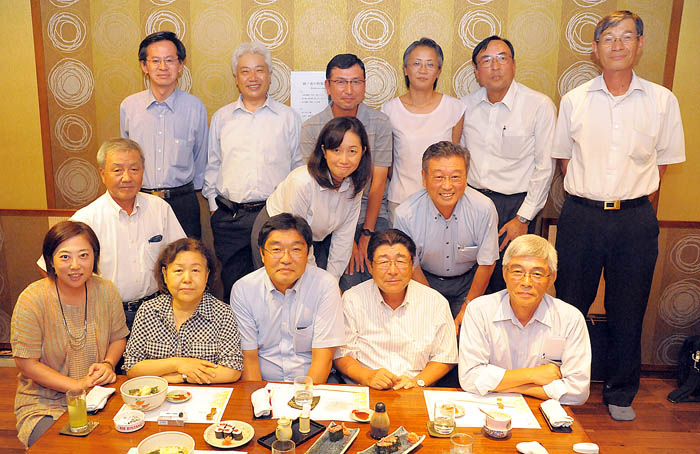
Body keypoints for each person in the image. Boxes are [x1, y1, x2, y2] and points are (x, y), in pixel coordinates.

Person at [552, 10, 685, 420]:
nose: (617, 45)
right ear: (595, 48)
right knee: (570, 303)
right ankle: (565, 384)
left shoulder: (662, 101)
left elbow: (660, 166)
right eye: (609, 38)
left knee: (629, 306)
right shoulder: (575, 100)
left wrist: (626, 197)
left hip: (634, 219)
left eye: (627, 37)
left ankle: (621, 392)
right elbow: (563, 161)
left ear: (640, 44)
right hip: (581, 215)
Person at [37, 138, 186, 329]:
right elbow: (47, 265)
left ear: (143, 171)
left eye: (134, 169)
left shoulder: (160, 209)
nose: (126, 178)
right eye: (117, 170)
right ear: (102, 174)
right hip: (106, 313)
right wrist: (78, 301)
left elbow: (182, 255)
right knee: (110, 360)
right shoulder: (86, 218)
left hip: (157, 310)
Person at [12, 221, 129, 447]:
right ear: (51, 261)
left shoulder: (106, 290)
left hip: (98, 397)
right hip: (44, 403)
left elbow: (118, 337)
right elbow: (26, 363)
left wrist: (107, 363)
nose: (75, 265)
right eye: (65, 257)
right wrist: (75, 385)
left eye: (83, 255)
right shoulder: (32, 299)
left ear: (94, 257)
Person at [204, 42, 302, 301]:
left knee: (277, 285)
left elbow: (298, 167)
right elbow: (212, 165)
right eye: (245, 71)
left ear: (269, 76)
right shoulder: (222, 118)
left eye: (259, 70)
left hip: (273, 216)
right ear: (236, 79)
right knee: (234, 287)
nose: (253, 77)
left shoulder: (288, 117)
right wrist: (215, 209)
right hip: (230, 217)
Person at [461, 35, 556, 293]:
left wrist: (523, 217)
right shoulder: (464, 107)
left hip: (517, 207)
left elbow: (545, 167)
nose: (495, 66)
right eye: (486, 60)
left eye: (502, 58)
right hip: (473, 204)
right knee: (473, 277)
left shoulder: (538, 105)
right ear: (477, 71)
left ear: (514, 65)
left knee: (514, 279)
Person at [459, 235, 591, 405]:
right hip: (488, 405)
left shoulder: (570, 319)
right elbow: (469, 379)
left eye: (537, 273)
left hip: (543, 408)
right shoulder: (479, 310)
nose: (526, 282)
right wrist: (533, 375)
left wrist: (502, 384)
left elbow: (578, 392)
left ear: (551, 278)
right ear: (505, 273)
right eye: (518, 272)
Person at [300, 54, 393, 291]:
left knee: (378, 270)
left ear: (364, 85)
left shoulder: (379, 123)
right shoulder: (311, 127)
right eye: (341, 82)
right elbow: (313, 185)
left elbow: (378, 182)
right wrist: (347, 238)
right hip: (327, 216)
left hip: (371, 214)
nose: (348, 89)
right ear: (328, 86)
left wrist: (366, 233)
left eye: (356, 82)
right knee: (343, 277)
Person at [394, 141, 499, 332]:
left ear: (466, 177)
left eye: (455, 177)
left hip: (470, 283)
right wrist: (433, 306)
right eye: (439, 177)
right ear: (424, 178)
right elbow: (412, 266)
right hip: (424, 282)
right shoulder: (406, 214)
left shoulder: (484, 208)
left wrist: (468, 305)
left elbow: (487, 262)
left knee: (470, 335)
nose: (447, 186)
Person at [252, 116, 372, 280]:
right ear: (324, 151)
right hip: (278, 231)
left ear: (363, 152)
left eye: (352, 151)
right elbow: (296, 236)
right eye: (336, 150)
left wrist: (330, 283)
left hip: (315, 238)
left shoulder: (355, 184)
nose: (344, 160)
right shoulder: (302, 182)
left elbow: (343, 238)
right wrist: (317, 285)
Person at [334, 229, 457, 389]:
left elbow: (445, 357)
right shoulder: (352, 299)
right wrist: (367, 376)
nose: (393, 271)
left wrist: (417, 381)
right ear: (370, 266)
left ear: (412, 265)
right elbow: (342, 354)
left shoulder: (435, 302)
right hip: (365, 389)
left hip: (416, 390)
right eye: (384, 262)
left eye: (400, 261)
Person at [231, 214, 344, 383]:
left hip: (313, 386)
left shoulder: (325, 286)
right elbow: (249, 358)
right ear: (262, 254)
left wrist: (302, 401)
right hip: (263, 384)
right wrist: (260, 402)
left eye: (296, 250)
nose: (286, 259)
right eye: (276, 250)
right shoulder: (244, 289)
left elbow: (324, 357)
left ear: (308, 253)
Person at [121, 31, 208, 239]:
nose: (163, 67)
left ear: (180, 65)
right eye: (155, 61)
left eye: (169, 60)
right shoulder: (129, 107)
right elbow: (125, 157)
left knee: (186, 263)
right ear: (144, 65)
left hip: (183, 202)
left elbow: (201, 159)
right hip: (140, 199)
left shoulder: (195, 107)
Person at [123, 238, 243, 384]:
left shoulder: (222, 313)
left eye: (195, 270)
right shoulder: (148, 311)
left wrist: (181, 377)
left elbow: (232, 370)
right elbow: (132, 366)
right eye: (179, 270)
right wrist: (179, 364)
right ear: (165, 274)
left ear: (206, 275)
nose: (187, 279)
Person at [382, 37, 465, 220]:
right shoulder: (389, 110)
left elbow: (455, 158)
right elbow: (389, 162)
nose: (423, 70)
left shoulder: (455, 108)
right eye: (416, 63)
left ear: (439, 71)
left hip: (443, 198)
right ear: (405, 69)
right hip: (401, 199)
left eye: (430, 64)